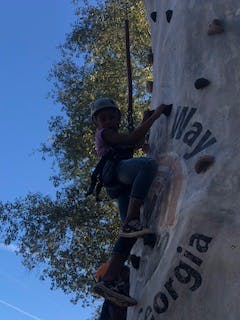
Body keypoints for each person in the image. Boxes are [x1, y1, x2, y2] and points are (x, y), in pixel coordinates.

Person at [90, 97, 171, 305]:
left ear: (118, 118)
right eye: (103, 118)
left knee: (128, 234)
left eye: (111, 117)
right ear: (97, 124)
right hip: (118, 173)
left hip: (122, 186)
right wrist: (156, 115)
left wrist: (145, 120)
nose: (108, 121)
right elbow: (133, 138)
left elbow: (134, 141)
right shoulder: (105, 134)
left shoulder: (115, 135)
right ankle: (133, 217)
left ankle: (109, 279)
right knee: (147, 166)